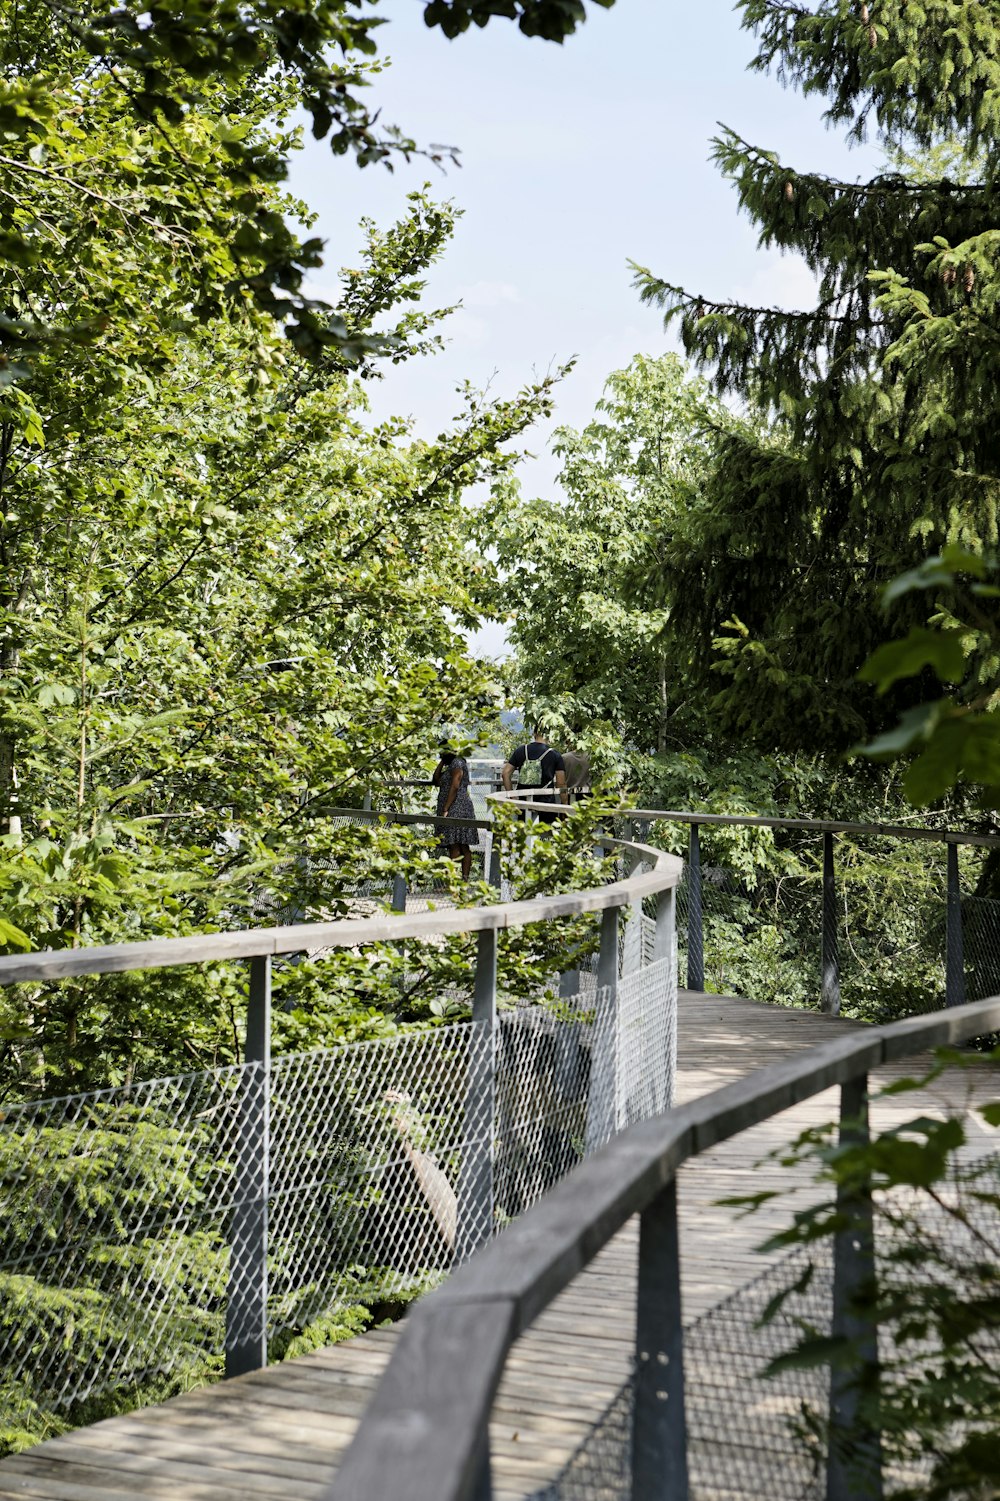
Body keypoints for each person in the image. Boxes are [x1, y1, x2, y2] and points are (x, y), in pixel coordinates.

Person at [502, 726, 568, 821]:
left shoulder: (520, 750)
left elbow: (505, 774)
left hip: (523, 802)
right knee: (546, 833)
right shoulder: (555, 754)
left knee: (524, 832)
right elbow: (561, 784)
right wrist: (564, 804)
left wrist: (512, 795)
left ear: (534, 734)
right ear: (549, 735)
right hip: (546, 803)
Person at [432, 746, 478, 879]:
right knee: (458, 844)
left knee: (456, 844)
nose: (440, 754)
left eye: (441, 753)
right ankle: (460, 880)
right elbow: (436, 779)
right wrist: (442, 762)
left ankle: (457, 880)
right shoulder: (451, 765)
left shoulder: (457, 763)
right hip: (453, 806)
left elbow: (455, 786)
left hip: (458, 807)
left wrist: (446, 808)